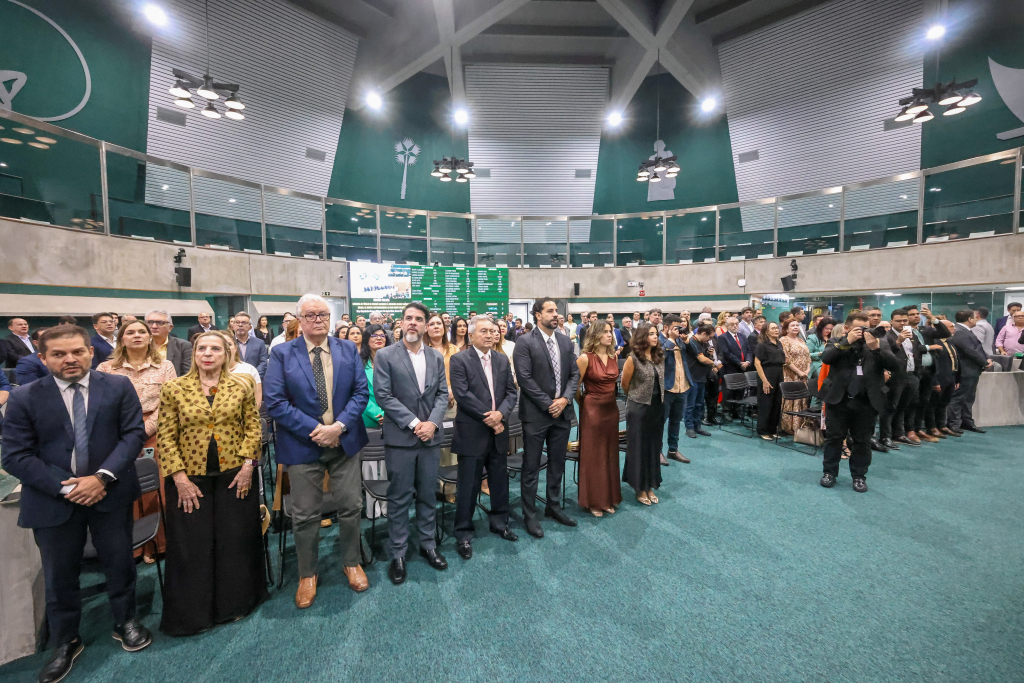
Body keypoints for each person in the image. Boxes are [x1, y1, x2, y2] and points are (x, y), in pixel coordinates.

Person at [2, 325, 151, 683]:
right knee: (59, 574)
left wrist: (100, 478)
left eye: (77, 352)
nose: (70, 359)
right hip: (53, 501)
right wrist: (66, 488)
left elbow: (132, 435)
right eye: (59, 354)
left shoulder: (117, 387)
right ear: (42, 358)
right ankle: (65, 640)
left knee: (119, 563)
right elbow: (15, 455)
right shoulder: (24, 398)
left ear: (91, 353)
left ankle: (125, 621)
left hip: (109, 492)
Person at [155, 331, 266, 635]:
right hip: (189, 479)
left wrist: (249, 468)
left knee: (235, 541)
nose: (208, 353)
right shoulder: (174, 388)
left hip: (236, 476)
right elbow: (165, 437)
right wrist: (179, 478)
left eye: (215, 349)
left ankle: (236, 604)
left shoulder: (241, 385)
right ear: (194, 354)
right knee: (193, 545)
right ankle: (195, 613)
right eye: (202, 348)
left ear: (226, 354)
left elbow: (254, 430)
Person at [264, 294, 370, 607]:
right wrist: (317, 432)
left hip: (344, 441)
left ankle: (352, 561)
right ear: (300, 319)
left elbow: (360, 393)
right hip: (301, 445)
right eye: (311, 315)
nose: (318, 320)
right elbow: (275, 403)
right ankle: (307, 574)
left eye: (323, 314)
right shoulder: (282, 353)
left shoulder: (347, 348)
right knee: (306, 514)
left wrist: (338, 428)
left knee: (351, 505)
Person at [373, 302, 450, 584]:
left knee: (429, 494)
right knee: (399, 498)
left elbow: (443, 394)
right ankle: (399, 553)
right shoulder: (385, 355)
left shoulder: (436, 357)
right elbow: (383, 395)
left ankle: (429, 545)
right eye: (409, 318)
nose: (414, 323)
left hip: (430, 438)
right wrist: (416, 423)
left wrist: (432, 423)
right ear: (402, 323)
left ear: (427, 324)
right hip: (401, 439)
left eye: (419, 319)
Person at [97, 319, 177, 562]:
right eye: (130, 332)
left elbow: (169, 405)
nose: (137, 335)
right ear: (121, 339)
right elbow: (100, 407)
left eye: (142, 331)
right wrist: (128, 435)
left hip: (155, 434)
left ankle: (158, 545)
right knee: (123, 489)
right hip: (117, 437)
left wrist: (142, 431)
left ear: (150, 337)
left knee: (157, 489)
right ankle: (132, 547)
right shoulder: (105, 369)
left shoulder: (165, 367)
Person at [449, 315, 519, 559]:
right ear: (471, 335)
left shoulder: (501, 359)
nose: (490, 335)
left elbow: (512, 392)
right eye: (484, 331)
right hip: (473, 432)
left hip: (499, 430)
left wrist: (501, 414)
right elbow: (462, 394)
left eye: (493, 331)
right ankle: (463, 533)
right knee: (468, 485)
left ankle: (500, 523)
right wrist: (489, 417)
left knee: (500, 481)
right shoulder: (459, 360)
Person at [512, 298, 581, 538]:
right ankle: (529, 515)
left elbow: (574, 374)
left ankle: (553, 507)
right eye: (550, 311)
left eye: (556, 311)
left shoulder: (564, 340)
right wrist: (548, 403)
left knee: (557, 463)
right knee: (531, 467)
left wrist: (564, 400)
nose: (555, 314)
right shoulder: (524, 341)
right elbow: (524, 378)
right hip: (536, 415)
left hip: (561, 414)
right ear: (537, 314)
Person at [818, 313, 902, 492]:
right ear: (847, 328)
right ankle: (829, 473)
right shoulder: (837, 341)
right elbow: (826, 358)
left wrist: (876, 349)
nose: (864, 332)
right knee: (834, 439)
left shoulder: (879, 343)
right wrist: (846, 342)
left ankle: (859, 476)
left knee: (862, 441)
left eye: (867, 328)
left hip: (866, 402)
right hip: (838, 400)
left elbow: (896, 366)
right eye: (859, 329)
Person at [575, 321, 623, 517]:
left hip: (611, 410)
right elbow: (574, 389)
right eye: (604, 332)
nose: (609, 335)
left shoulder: (613, 356)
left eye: (610, 331)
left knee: (610, 454)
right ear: (595, 335)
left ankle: (609, 497)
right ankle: (594, 501)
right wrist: (586, 404)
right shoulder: (585, 358)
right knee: (594, 456)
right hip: (592, 410)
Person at [620, 322, 665, 505]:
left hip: (657, 407)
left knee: (654, 447)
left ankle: (650, 485)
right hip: (639, 408)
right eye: (651, 334)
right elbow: (625, 384)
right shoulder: (633, 358)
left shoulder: (659, 356)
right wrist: (637, 397)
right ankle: (639, 487)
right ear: (642, 337)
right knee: (638, 447)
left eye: (656, 333)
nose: (655, 337)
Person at [882, 309, 928, 447]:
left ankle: (899, 434)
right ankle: (885, 436)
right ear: (891, 322)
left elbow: (916, 353)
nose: (902, 323)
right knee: (890, 407)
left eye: (904, 320)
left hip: (911, 375)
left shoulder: (912, 334)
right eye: (898, 321)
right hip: (895, 376)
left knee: (903, 407)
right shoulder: (887, 336)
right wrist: (898, 341)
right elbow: (886, 355)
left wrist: (917, 373)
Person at [947, 309, 993, 434]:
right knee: (958, 398)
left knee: (968, 398)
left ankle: (966, 422)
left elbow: (977, 349)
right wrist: (984, 362)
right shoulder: (960, 332)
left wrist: (986, 359)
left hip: (971, 370)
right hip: (965, 371)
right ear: (970, 319)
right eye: (975, 317)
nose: (977, 319)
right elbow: (971, 351)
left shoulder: (966, 331)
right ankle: (953, 424)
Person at [910, 307, 951, 442]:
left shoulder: (925, 330)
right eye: (912, 315)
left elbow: (945, 333)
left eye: (917, 314)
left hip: (928, 370)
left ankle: (918, 429)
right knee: (912, 402)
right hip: (914, 370)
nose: (916, 316)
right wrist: (928, 347)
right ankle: (909, 430)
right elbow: (912, 348)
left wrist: (933, 319)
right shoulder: (904, 331)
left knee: (924, 401)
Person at [661, 315, 692, 463]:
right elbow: (660, 357)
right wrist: (671, 340)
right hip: (667, 388)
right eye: (675, 328)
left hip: (682, 386)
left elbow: (690, 353)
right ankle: (657, 451)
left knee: (676, 420)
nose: (678, 331)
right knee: (660, 421)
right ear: (666, 327)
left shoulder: (680, 340)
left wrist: (686, 340)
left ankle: (673, 450)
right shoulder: (659, 340)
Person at [684, 323, 716, 439]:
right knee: (690, 404)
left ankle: (697, 426)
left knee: (699, 404)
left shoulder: (703, 343)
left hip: (701, 377)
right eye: (709, 336)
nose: (710, 339)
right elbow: (701, 358)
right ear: (703, 333)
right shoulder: (692, 342)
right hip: (692, 377)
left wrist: (710, 355)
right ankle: (689, 427)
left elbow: (705, 357)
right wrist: (714, 363)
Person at [754, 322, 785, 440]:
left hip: (779, 374)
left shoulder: (779, 343)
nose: (776, 330)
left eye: (777, 328)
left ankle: (772, 429)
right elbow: (757, 363)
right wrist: (765, 381)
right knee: (766, 403)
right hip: (766, 374)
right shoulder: (762, 345)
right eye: (773, 328)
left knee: (776, 403)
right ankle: (763, 430)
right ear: (766, 331)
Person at [779, 320, 811, 435]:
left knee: (802, 400)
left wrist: (807, 370)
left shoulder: (801, 340)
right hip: (791, 374)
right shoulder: (783, 340)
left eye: (797, 325)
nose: (795, 327)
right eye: (792, 326)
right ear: (786, 329)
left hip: (804, 375)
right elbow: (786, 359)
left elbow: (808, 357)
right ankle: (789, 427)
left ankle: (800, 425)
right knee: (791, 400)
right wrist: (799, 372)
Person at [931, 320, 961, 437]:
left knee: (944, 404)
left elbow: (956, 361)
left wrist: (957, 379)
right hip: (939, 379)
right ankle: (932, 427)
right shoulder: (935, 343)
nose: (954, 328)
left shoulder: (950, 342)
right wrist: (935, 381)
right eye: (951, 326)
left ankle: (942, 425)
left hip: (951, 378)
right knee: (933, 405)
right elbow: (933, 364)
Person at [717, 316, 749, 420]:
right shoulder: (723, 337)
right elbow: (726, 353)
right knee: (728, 391)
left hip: (743, 368)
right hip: (729, 367)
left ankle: (737, 411)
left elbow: (748, 350)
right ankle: (726, 411)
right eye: (732, 324)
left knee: (740, 390)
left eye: (736, 324)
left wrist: (748, 362)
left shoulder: (742, 336)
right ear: (727, 326)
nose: (735, 326)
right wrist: (740, 363)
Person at [354, 324, 386, 427]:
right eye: (374, 335)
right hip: (366, 415)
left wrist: (387, 413)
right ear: (367, 339)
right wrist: (376, 413)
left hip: (392, 416)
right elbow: (356, 391)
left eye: (382, 335)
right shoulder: (358, 362)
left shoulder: (396, 361)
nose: (378, 338)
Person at [145, 310, 192, 377]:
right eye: (149, 322)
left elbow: (188, 374)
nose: (154, 326)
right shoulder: (137, 345)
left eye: (160, 323)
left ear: (170, 327)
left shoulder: (183, 346)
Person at [224, 335, 263, 409]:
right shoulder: (208, 371)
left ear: (235, 348)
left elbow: (257, 401)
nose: (226, 347)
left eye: (229, 344)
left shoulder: (249, 369)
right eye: (221, 345)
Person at [229, 312, 269, 379]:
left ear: (250, 327)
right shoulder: (227, 343)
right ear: (232, 326)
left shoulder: (259, 343)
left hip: (254, 381)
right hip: (232, 380)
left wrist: (252, 377)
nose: (240, 325)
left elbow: (263, 363)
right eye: (237, 322)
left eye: (244, 323)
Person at [807, 317, 835, 381]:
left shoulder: (834, 338)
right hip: (818, 364)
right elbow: (807, 354)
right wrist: (820, 354)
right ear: (821, 327)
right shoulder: (812, 338)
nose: (829, 331)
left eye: (831, 329)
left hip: (831, 365)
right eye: (826, 328)